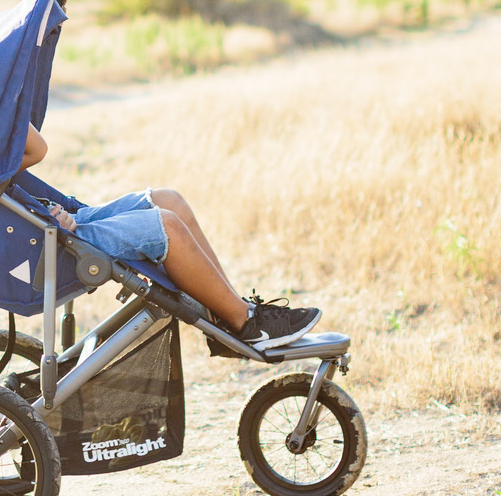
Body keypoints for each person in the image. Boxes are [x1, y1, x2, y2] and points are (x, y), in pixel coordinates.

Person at [20, 125, 319, 347]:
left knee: (168, 200)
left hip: (49, 218)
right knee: (168, 227)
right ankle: (247, 324)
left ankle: (229, 313)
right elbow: (37, 148)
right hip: (42, 236)